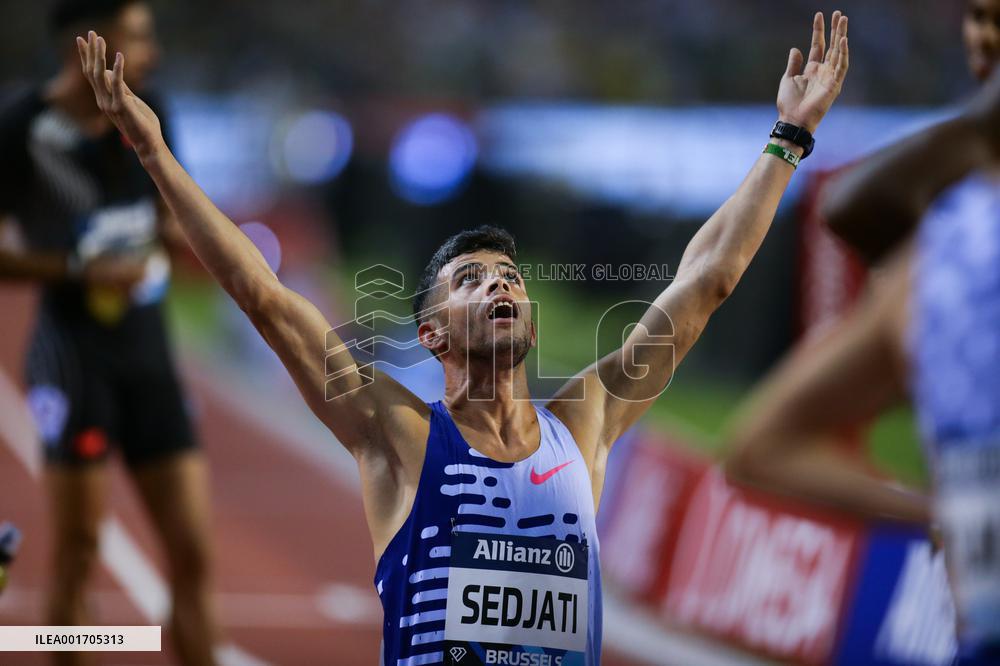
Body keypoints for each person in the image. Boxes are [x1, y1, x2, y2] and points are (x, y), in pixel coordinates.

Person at [75, 10, 849, 664]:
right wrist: (153, 154)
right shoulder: (396, 433)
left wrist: (787, 138)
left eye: (509, 276)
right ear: (432, 334)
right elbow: (262, 294)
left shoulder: (584, 426)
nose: (502, 284)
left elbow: (703, 284)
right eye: (472, 280)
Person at [725, 3, 1000, 662]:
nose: (985, 34)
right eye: (978, 15)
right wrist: (941, 511)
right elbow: (763, 445)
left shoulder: (931, 264)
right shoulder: (934, 264)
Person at [0, 1, 218, 664]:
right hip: (74, 358)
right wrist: (77, 266)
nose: (151, 53)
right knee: (77, 553)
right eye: (138, 36)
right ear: (86, 43)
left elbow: (169, 218)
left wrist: (186, 240)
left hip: (150, 357)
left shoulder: (152, 111)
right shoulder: (22, 127)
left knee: (192, 552)